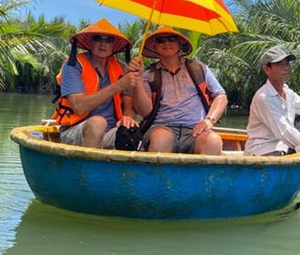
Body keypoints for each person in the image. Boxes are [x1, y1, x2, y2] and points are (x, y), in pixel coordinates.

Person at [128, 26, 227, 155]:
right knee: (161, 139)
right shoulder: (148, 75)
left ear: (180, 44)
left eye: (171, 39)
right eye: (161, 40)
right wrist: (138, 79)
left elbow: (221, 96)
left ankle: (199, 176)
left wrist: (209, 120)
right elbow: (144, 111)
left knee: (213, 141)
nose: (167, 43)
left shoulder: (198, 68)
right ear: (155, 47)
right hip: (162, 127)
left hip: (195, 129)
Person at [52, 19, 139, 149]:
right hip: (75, 131)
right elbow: (79, 106)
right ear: (89, 41)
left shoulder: (121, 68)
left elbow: (129, 106)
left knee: (134, 132)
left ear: (113, 45)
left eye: (109, 40)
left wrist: (127, 118)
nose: (103, 44)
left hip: (111, 131)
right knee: (98, 123)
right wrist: (118, 85)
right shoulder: (73, 65)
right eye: (98, 38)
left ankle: (122, 169)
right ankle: (86, 169)